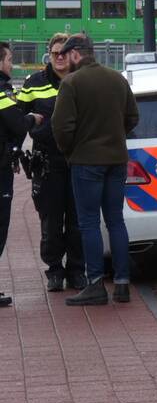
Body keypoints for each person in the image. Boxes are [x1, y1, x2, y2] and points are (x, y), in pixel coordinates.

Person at [52, 35, 139, 306]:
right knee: (115, 220)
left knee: (88, 222)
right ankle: (122, 284)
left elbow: (61, 127)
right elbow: (132, 117)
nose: (65, 60)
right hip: (116, 160)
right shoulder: (117, 79)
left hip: (86, 162)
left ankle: (95, 285)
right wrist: (115, 138)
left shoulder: (71, 83)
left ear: (77, 54)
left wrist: (71, 152)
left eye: (67, 55)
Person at [17, 33, 85, 292]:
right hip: (47, 162)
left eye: (63, 53)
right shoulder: (34, 83)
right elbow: (17, 119)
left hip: (78, 160)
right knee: (51, 222)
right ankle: (54, 270)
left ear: (71, 55)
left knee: (78, 221)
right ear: (49, 53)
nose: (59, 57)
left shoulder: (81, 80)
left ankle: (77, 270)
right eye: (55, 53)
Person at [0, 42, 44, 307]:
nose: (11, 64)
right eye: (8, 59)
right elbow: (15, 122)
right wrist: (33, 119)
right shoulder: (2, 90)